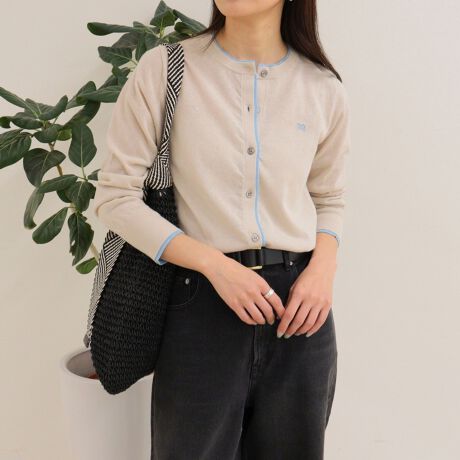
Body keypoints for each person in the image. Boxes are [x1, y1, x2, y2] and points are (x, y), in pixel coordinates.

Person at [93, 1, 351, 458]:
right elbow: (115, 197)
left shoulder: (321, 87)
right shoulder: (166, 69)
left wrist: (322, 273)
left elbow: (328, 198)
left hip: (300, 311)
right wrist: (215, 266)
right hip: (200, 300)